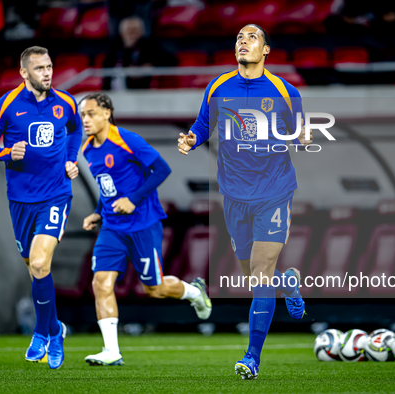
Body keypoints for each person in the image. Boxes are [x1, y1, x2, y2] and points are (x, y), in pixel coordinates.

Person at [177, 24, 310, 380]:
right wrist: (191, 138)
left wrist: (304, 135)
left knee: (261, 275)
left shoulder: (285, 90)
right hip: (234, 194)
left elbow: (299, 133)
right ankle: (289, 282)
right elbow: (204, 124)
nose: (243, 41)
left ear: (266, 50)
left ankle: (251, 357)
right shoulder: (218, 86)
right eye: (238, 37)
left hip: (274, 192)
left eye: (251, 38)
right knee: (253, 274)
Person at [80, 93, 212, 366]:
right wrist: (96, 212)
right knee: (100, 283)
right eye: (82, 115)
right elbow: (107, 186)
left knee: (154, 289)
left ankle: (195, 293)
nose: (85, 120)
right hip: (113, 228)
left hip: (142, 225)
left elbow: (162, 170)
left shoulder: (128, 140)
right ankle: (111, 351)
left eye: (90, 113)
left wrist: (134, 199)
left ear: (106, 112)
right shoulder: (89, 149)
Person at [0, 46, 82, 369]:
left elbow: (76, 130)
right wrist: (7, 152)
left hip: (55, 195)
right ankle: (55, 330)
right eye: (39, 68)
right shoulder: (7, 106)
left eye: (49, 67)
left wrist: (70, 159)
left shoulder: (65, 103)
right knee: (36, 268)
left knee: (39, 261)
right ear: (24, 73)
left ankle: (40, 332)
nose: (47, 73)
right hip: (20, 201)